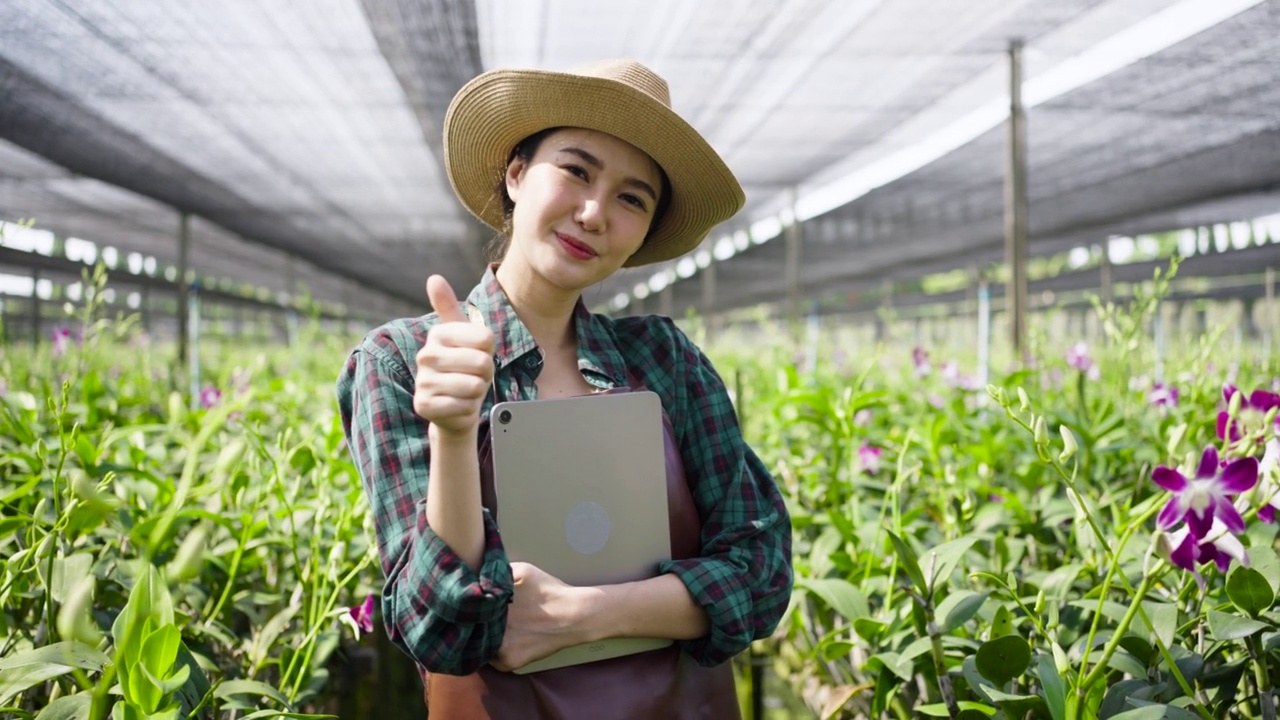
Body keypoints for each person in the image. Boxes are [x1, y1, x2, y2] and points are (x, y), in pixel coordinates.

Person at [337, 59, 792, 718]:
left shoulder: (664, 359)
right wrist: (456, 434)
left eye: (632, 198)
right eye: (576, 171)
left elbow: (763, 569)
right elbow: (437, 627)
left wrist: (586, 617)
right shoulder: (404, 362)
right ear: (516, 174)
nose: (593, 211)